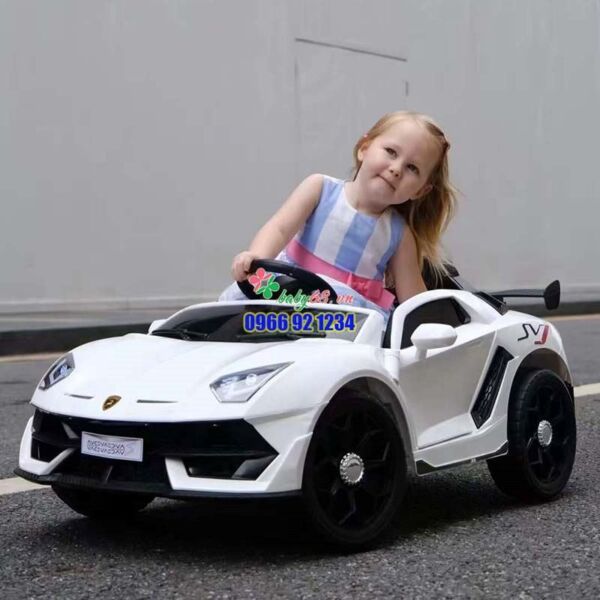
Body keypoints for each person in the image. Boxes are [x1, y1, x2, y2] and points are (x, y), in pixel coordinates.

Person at [219, 111, 457, 325]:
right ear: (364, 148)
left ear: (420, 190)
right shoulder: (320, 189)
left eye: (412, 168)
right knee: (236, 323)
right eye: (391, 152)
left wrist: (435, 325)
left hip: (344, 317)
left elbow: (412, 300)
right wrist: (256, 257)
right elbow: (279, 228)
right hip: (287, 293)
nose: (396, 169)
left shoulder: (399, 234)